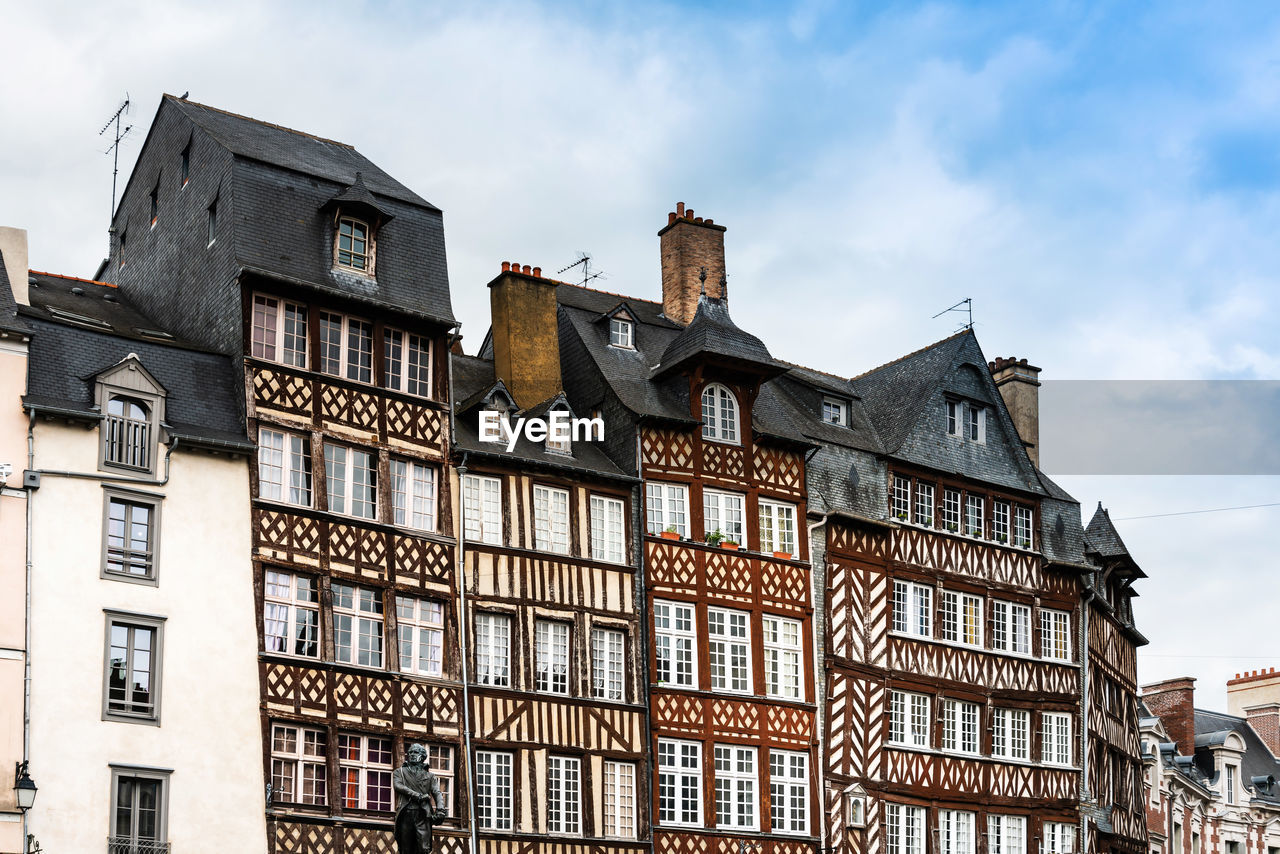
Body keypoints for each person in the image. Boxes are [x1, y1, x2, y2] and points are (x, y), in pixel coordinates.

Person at [393, 743, 445, 854]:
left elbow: (437, 792)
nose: (411, 754)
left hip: (423, 815)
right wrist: (418, 796)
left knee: (424, 848)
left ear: (422, 756)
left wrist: (440, 810)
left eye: (415, 752)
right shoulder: (400, 772)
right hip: (405, 813)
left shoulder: (430, 776)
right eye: (410, 752)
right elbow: (398, 786)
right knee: (405, 848)